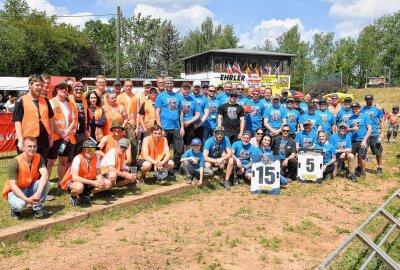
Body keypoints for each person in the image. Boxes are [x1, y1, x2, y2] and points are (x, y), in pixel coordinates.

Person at [2, 136, 52, 219]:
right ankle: (15, 210)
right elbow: (13, 186)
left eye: (34, 146)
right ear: (23, 147)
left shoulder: (38, 157)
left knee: (46, 182)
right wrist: (26, 199)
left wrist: (38, 193)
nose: (32, 149)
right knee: (20, 205)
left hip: (29, 187)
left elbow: (45, 174)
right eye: (29, 146)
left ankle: (37, 208)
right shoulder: (15, 162)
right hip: (14, 191)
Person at [13, 75, 54, 161]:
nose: (40, 87)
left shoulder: (46, 101)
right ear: (30, 85)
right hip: (28, 141)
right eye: (37, 85)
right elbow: (17, 122)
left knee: (42, 168)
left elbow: (51, 120)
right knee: (27, 169)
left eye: (41, 85)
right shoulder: (21, 101)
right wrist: (20, 140)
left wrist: (51, 138)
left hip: (43, 141)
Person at [61, 140, 113, 206]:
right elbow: (75, 178)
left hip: (88, 180)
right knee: (79, 187)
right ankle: (73, 197)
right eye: (88, 149)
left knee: (108, 183)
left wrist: (100, 180)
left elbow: (98, 173)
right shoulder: (78, 158)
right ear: (84, 150)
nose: (91, 151)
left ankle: (85, 193)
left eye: (93, 149)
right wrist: (93, 183)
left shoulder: (96, 157)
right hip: (73, 181)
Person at [47, 81, 77, 182]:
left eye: (66, 88)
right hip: (55, 137)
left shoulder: (70, 104)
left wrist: (66, 132)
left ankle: (62, 182)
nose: (64, 90)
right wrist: (60, 133)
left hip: (66, 138)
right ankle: (45, 184)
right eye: (61, 88)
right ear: (56, 90)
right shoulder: (51, 102)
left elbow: (73, 120)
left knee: (63, 160)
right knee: (50, 161)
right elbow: (51, 120)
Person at [155, 77, 184, 172]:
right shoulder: (160, 96)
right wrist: (160, 128)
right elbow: (157, 112)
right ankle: (163, 168)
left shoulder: (178, 96)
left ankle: (175, 168)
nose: (169, 85)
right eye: (167, 83)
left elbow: (181, 113)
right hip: (164, 128)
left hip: (176, 127)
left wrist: (182, 127)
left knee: (179, 149)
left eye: (171, 83)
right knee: (163, 150)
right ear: (164, 84)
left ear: (173, 84)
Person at [117, 80, 139, 163]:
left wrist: (137, 127)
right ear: (124, 86)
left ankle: (133, 162)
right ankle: (121, 161)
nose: (129, 87)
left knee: (132, 144)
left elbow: (138, 113)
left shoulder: (136, 97)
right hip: (122, 124)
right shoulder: (119, 97)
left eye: (130, 85)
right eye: (127, 86)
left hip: (132, 124)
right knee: (122, 143)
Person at [347, 102, 372, 178]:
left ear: (359, 109)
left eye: (356, 108)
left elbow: (370, 129)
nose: (355, 110)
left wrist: (364, 140)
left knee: (361, 156)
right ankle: (353, 171)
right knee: (351, 156)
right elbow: (346, 129)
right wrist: (352, 128)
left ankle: (363, 171)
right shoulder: (350, 118)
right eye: (353, 109)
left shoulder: (365, 117)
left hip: (362, 140)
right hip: (353, 140)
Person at [362, 94, 385, 176]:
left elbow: (382, 121)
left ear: (372, 100)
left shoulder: (377, 109)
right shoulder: (362, 109)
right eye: (367, 100)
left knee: (378, 151)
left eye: (370, 100)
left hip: (374, 133)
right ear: (365, 100)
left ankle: (379, 167)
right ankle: (361, 169)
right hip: (364, 134)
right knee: (362, 152)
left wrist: (382, 132)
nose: (368, 101)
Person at [69, 82, 90, 156]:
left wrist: (87, 130)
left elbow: (87, 116)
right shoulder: (68, 99)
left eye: (80, 89)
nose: (78, 91)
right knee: (69, 156)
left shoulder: (84, 101)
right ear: (73, 90)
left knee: (80, 155)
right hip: (71, 133)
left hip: (82, 133)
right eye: (76, 89)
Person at [180, 82, 200, 151]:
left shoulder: (193, 99)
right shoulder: (178, 98)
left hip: (190, 124)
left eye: (188, 89)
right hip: (179, 124)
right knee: (179, 143)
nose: (186, 90)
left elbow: (197, 114)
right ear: (181, 89)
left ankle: (188, 157)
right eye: (184, 89)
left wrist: (189, 122)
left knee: (189, 143)